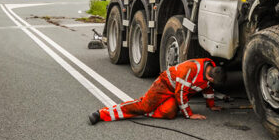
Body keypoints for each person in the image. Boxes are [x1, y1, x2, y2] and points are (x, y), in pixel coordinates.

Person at [89, 58, 226, 124]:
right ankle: (102, 113)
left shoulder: (211, 70)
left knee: (169, 113)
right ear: (210, 76)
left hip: (175, 91)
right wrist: (190, 115)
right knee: (143, 106)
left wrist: (211, 106)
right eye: (212, 81)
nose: (211, 84)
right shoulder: (190, 70)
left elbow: (208, 88)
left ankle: (150, 110)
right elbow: (181, 95)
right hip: (164, 85)